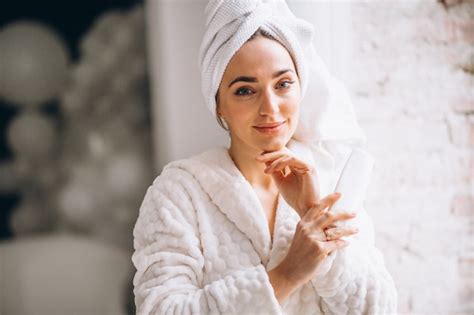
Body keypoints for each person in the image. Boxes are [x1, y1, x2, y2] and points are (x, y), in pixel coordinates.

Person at [131, 1, 398, 314]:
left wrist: (313, 217)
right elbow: (161, 310)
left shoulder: (331, 178)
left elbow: (377, 309)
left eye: (283, 84)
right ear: (218, 103)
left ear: (301, 87)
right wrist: (287, 273)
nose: (270, 108)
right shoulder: (179, 193)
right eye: (245, 90)